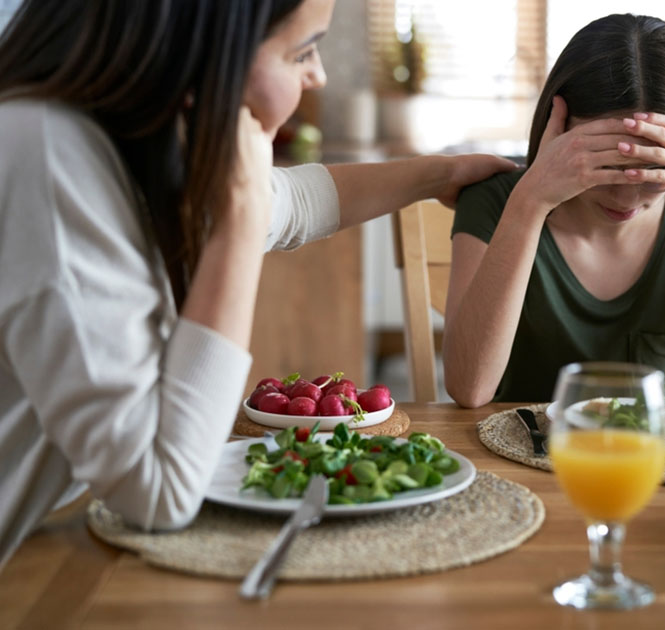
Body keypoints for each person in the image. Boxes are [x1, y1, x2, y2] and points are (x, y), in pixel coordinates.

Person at [0, 0, 514, 567]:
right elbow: (160, 493)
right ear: (207, 49)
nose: (317, 74)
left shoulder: (112, 135)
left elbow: (291, 202)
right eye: (302, 51)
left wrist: (439, 174)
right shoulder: (51, 162)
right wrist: (239, 229)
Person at [443, 14, 665, 409]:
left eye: (653, 170)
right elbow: (470, 388)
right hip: (516, 462)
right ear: (559, 129)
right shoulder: (498, 202)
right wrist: (529, 204)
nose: (626, 197)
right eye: (605, 166)